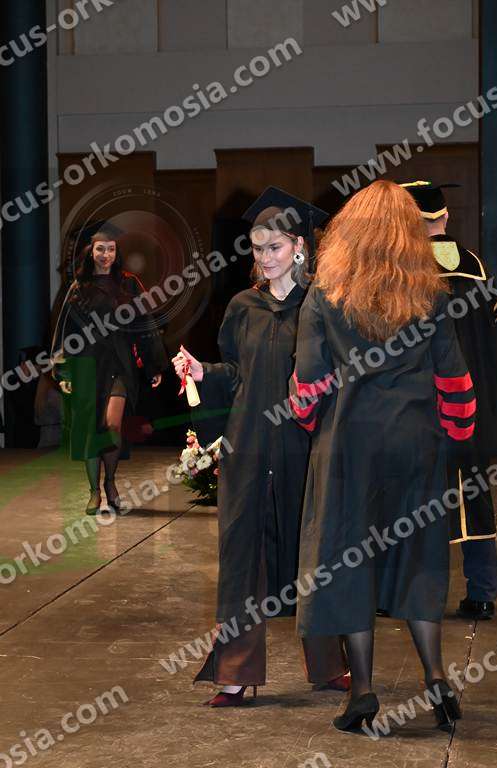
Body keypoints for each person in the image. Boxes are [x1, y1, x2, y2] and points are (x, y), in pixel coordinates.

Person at [290, 180, 474, 733]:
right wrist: (455, 435)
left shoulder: (325, 294)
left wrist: (311, 424)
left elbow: (308, 384)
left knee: (349, 560)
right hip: (416, 441)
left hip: (349, 445)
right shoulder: (430, 293)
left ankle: (363, 691)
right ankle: (436, 675)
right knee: (420, 557)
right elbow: (455, 379)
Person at [172, 188, 349, 708]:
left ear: (299, 246)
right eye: (256, 248)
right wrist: (204, 372)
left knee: (312, 552)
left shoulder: (321, 305)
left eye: (274, 247)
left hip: (304, 445)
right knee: (241, 555)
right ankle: (235, 671)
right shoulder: (242, 307)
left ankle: (329, 664)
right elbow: (237, 374)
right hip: (248, 445)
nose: (264, 257)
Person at [402, 181, 497, 620]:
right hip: (473, 402)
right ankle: (482, 593)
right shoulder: (475, 265)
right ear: (446, 217)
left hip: (424, 403)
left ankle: (420, 595)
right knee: (475, 495)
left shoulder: (405, 269)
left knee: (421, 502)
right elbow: (493, 328)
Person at [51, 224, 167, 515]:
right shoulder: (79, 288)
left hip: (119, 362)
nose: (106, 254)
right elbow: (65, 331)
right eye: (100, 249)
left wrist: (153, 364)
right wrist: (64, 372)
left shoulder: (129, 284)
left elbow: (145, 325)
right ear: (90, 252)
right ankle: (94, 491)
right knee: (92, 429)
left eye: (111, 249)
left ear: (117, 252)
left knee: (113, 425)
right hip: (87, 364)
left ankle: (111, 482)